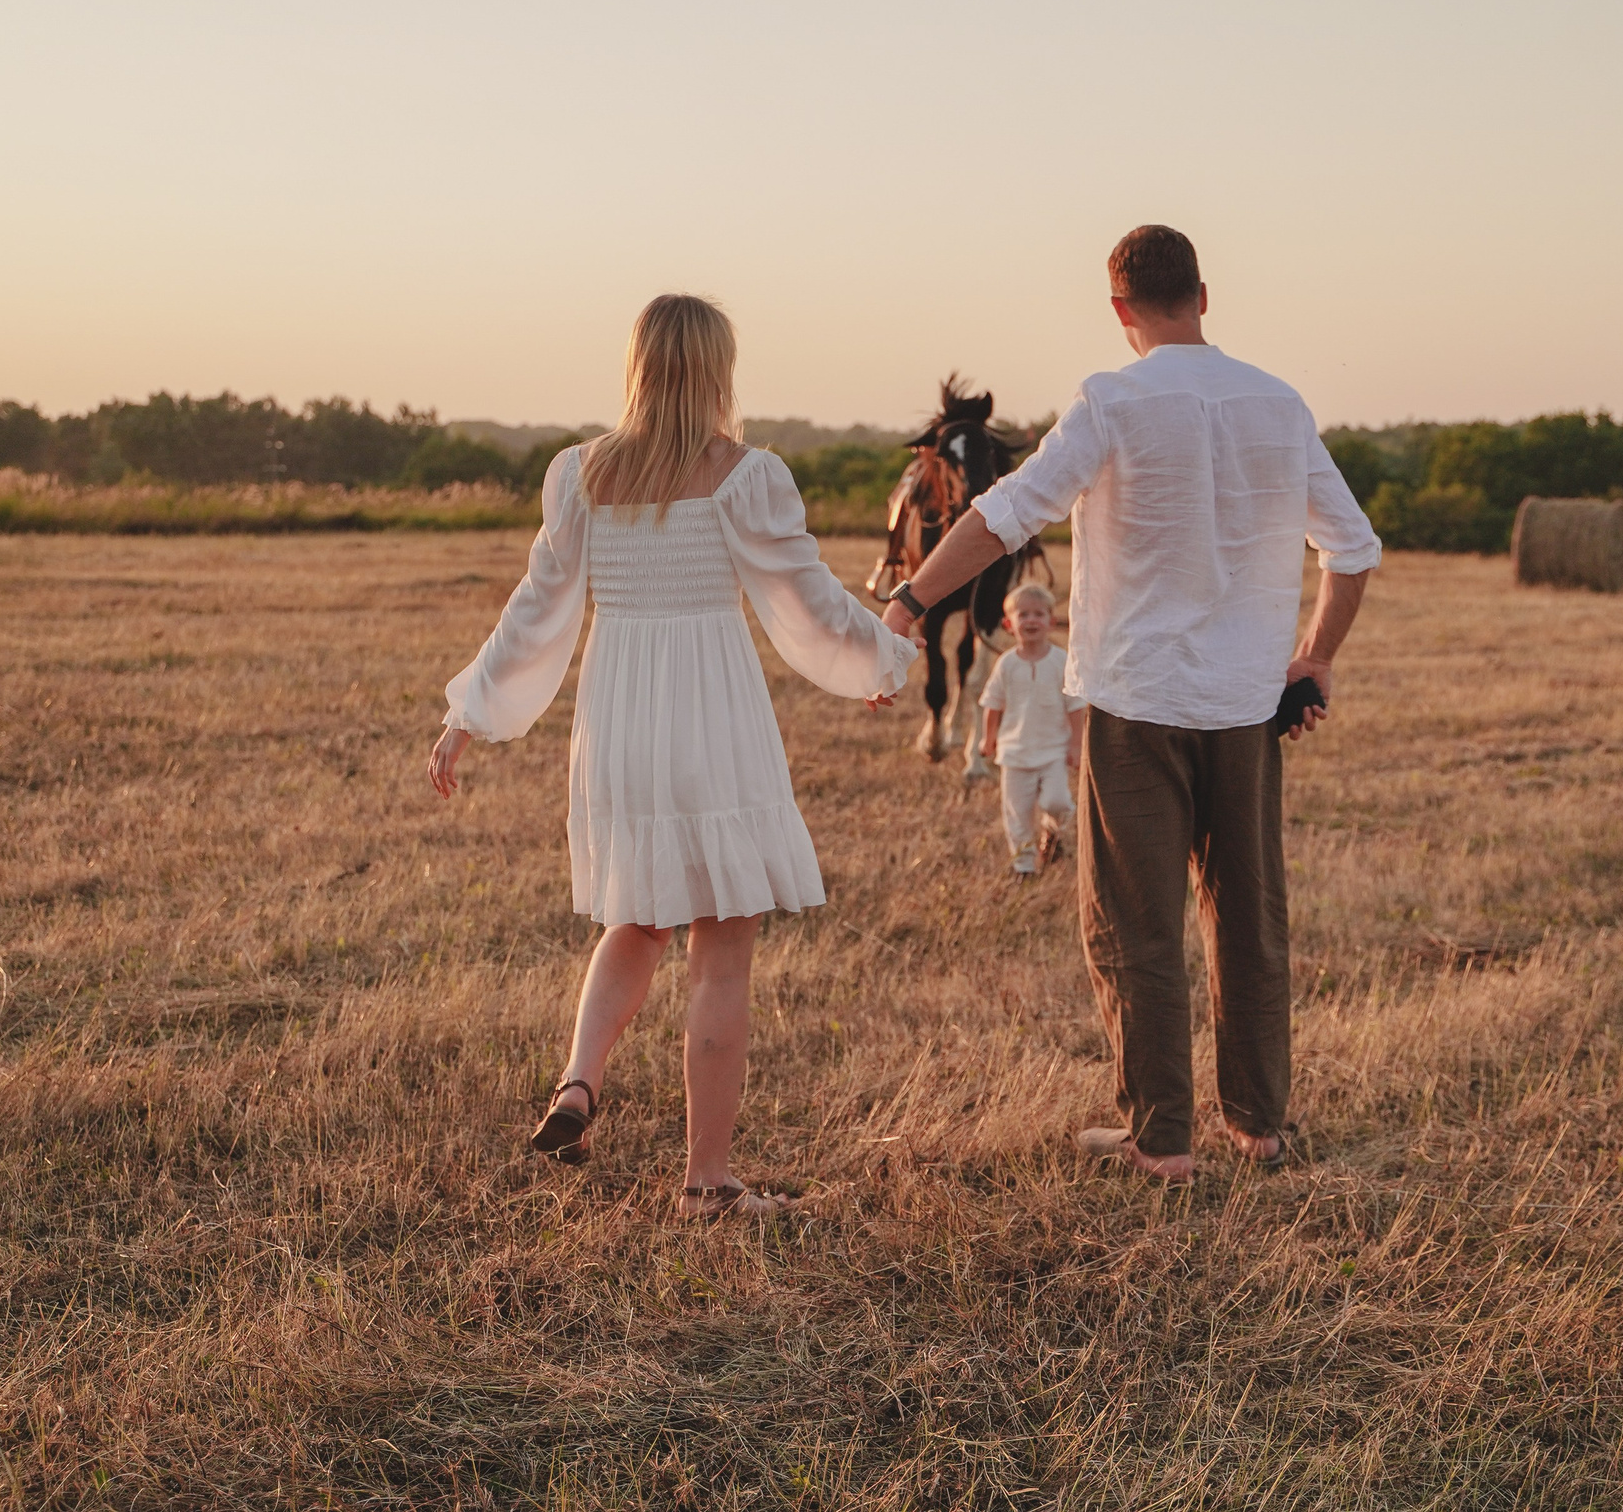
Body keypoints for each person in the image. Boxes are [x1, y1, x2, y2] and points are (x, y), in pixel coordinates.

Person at [883, 226, 1378, 1184]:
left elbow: (1004, 514)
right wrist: (1312, 658)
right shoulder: (1279, 404)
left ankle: (1161, 1139)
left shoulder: (1111, 400)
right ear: (1204, 294)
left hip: (1135, 701)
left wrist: (909, 601)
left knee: (1136, 922)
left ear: (1120, 312)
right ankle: (1260, 1124)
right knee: (1248, 914)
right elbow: (1352, 550)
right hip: (1244, 708)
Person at [429, 294, 918, 1219]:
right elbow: (807, 597)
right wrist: (878, 660)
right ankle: (707, 1181)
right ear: (717, 370)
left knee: (637, 915)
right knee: (722, 951)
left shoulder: (579, 473)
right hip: (711, 711)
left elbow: (536, 608)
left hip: (619, 720)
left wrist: (469, 713)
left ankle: (579, 1080)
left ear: (639, 365)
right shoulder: (745, 474)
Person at [978, 581, 1085, 877]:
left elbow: (1076, 707)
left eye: (1038, 614)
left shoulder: (1062, 662)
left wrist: (1076, 745)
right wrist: (989, 739)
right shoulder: (1006, 664)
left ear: (1051, 621)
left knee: (1059, 802)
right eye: (1023, 615)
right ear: (1008, 624)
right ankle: (1023, 867)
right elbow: (993, 704)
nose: (1031, 620)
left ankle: (1051, 835)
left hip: (1053, 750)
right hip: (1014, 754)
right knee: (1017, 814)